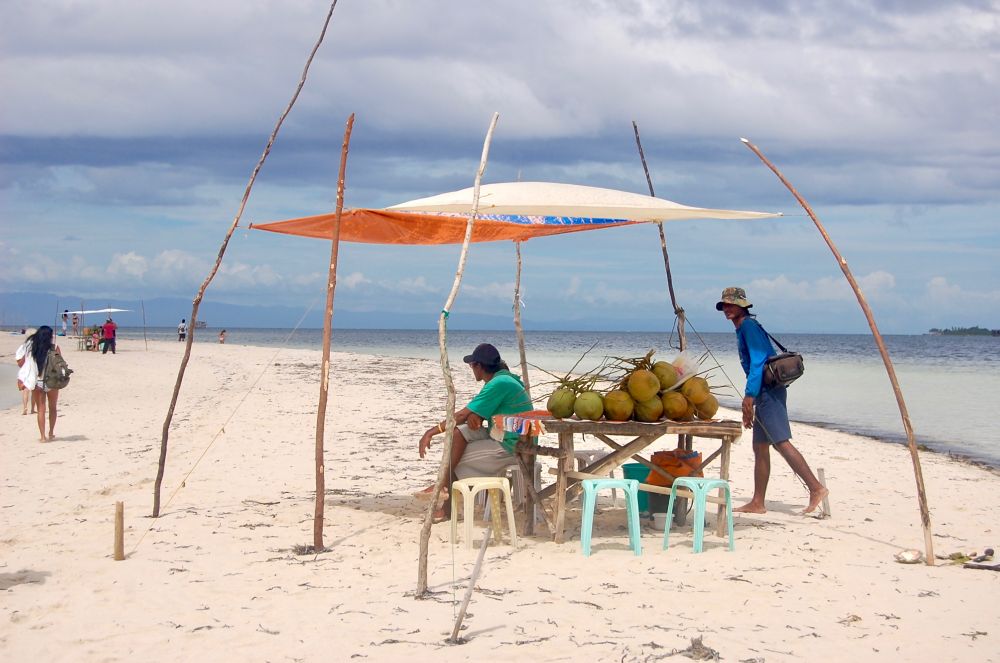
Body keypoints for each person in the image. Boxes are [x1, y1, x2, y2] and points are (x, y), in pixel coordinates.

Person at [716, 287, 828, 515]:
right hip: (764, 392)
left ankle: (816, 488)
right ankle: (758, 502)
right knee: (760, 446)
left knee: (781, 442)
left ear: (742, 306)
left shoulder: (747, 326)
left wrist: (749, 397)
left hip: (768, 392)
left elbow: (758, 361)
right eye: (724, 305)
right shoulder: (744, 327)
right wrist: (752, 398)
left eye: (731, 305)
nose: (727, 309)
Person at [417, 343, 532, 520]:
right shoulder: (504, 379)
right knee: (458, 434)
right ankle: (444, 494)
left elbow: (462, 414)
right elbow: (476, 414)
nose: (471, 370)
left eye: (472, 366)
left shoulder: (499, 383)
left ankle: (443, 492)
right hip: (502, 433)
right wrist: (476, 416)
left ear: (479, 366)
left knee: (457, 457)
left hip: (514, 445)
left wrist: (430, 432)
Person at [16, 325, 62, 442]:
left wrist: (22, 379)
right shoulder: (54, 347)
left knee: (41, 410)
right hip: (52, 382)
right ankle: (51, 433)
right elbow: (59, 364)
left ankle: (42, 437)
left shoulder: (32, 349)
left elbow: (22, 364)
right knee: (53, 408)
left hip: (37, 383)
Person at [15, 329, 37, 416]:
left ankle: (25, 408)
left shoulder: (24, 346)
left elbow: (18, 358)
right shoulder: (36, 345)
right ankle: (32, 409)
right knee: (34, 389)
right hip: (33, 367)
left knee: (25, 389)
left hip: (25, 368)